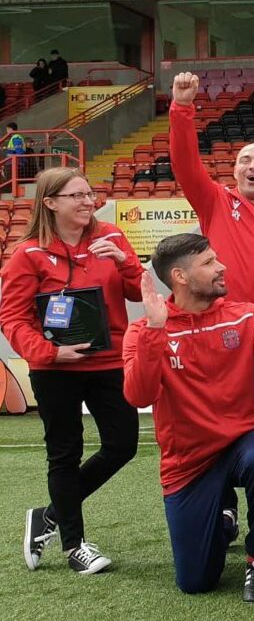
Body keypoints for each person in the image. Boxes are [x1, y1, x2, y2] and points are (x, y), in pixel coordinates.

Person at [123, 234, 254, 600]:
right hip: (188, 459)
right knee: (196, 583)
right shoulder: (143, 329)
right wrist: (155, 332)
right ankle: (218, 521)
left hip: (244, 441)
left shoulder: (245, 314)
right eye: (209, 263)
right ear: (180, 276)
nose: (222, 267)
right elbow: (138, 395)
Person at [3, 168, 142, 574]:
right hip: (55, 369)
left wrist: (126, 264)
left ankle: (48, 514)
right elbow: (12, 318)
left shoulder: (112, 237)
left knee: (123, 445)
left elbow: (136, 290)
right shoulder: (27, 254)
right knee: (64, 453)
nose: (87, 201)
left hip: (110, 360)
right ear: (50, 203)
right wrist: (48, 353)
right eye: (76, 195)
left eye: (89, 193)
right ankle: (74, 544)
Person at [168, 72, 254, 433]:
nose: (251, 166)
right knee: (216, 423)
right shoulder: (215, 201)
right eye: (244, 160)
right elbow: (184, 162)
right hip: (218, 331)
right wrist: (182, 107)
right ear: (235, 170)